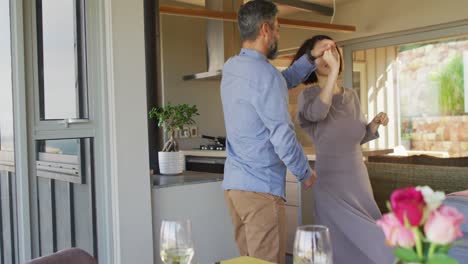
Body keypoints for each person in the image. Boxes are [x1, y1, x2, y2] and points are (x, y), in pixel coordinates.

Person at [220, 1, 332, 263]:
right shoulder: (266, 75)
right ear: (265, 29)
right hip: (261, 192)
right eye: (278, 28)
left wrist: (311, 59)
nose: (279, 35)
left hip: (235, 188)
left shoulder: (232, 67)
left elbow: (280, 81)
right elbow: (282, 136)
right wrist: (304, 172)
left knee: (248, 262)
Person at [293, 35, 394, 264]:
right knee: (337, 241)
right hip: (330, 184)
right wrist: (334, 71)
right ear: (310, 62)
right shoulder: (307, 97)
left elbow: (356, 137)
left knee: (374, 235)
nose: (330, 54)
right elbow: (318, 112)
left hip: (358, 181)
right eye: (323, 52)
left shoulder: (352, 96)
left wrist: (374, 124)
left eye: (333, 49)